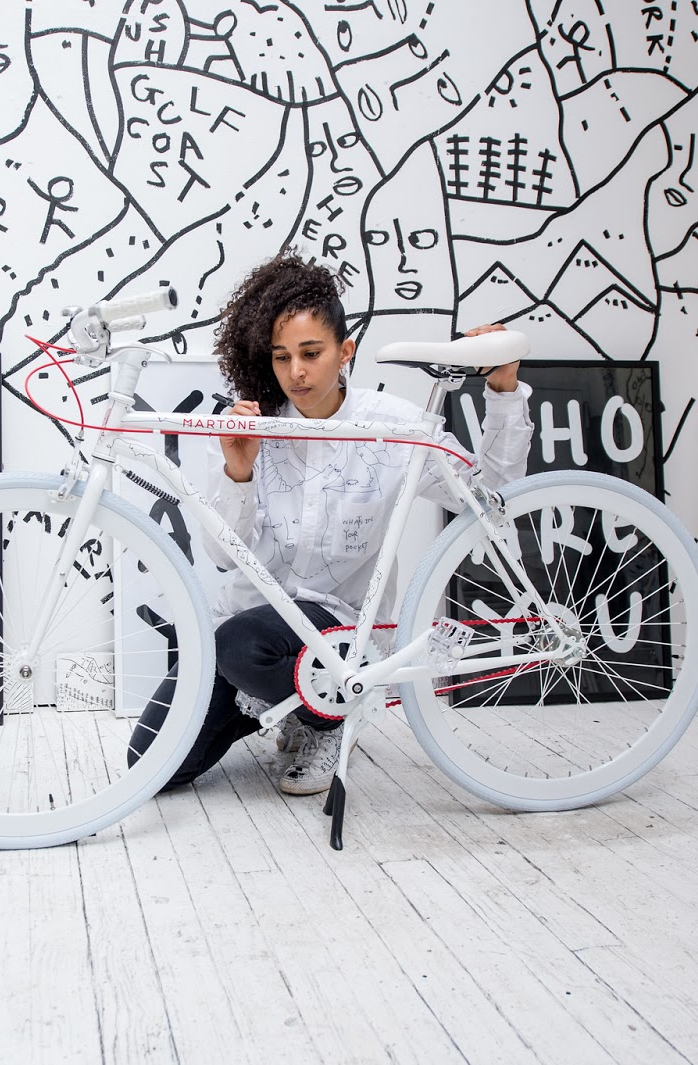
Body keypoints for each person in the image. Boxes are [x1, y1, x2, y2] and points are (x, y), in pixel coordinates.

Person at [129, 252, 534, 796]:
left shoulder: (393, 429)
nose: (296, 371)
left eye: (311, 353)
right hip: (251, 625)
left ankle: (330, 718)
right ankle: (285, 704)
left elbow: (490, 495)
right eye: (281, 357)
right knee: (151, 765)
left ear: (345, 351)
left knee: (241, 645)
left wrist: (503, 393)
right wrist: (238, 472)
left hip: (335, 630)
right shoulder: (252, 426)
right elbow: (226, 556)